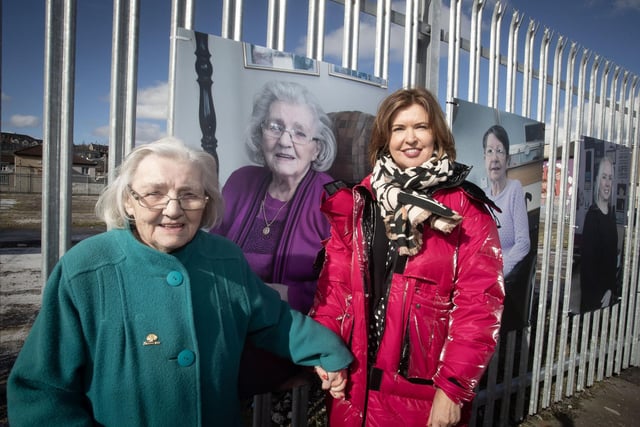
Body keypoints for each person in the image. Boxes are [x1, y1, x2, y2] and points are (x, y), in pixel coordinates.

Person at [7, 137, 352, 427]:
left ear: (206, 202)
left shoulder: (226, 259)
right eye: (155, 193)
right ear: (129, 200)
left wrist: (327, 352)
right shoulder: (86, 268)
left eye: (189, 195)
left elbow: (274, 321)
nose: (173, 210)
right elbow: (41, 389)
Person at [310, 87, 504, 426]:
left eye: (421, 127)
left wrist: (454, 390)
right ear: (385, 138)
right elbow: (335, 289)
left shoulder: (464, 209)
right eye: (399, 129)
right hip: (352, 390)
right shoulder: (360, 202)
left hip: (420, 399)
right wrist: (327, 354)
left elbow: (479, 304)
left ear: (437, 134)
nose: (410, 139)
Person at [210, 80, 338, 419]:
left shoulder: (332, 200)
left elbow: (343, 289)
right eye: (275, 126)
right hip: (227, 328)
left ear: (317, 146)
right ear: (260, 133)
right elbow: (211, 253)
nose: (285, 140)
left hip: (287, 341)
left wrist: (274, 295)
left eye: (299, 132)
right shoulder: (241, 181)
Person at [482, 124, 530, 277]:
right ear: (484, 159)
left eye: (500, 151)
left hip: (505, 277)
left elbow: (523, 243)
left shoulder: (514, 189)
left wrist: (499, 272)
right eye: (490, 151)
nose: (494, 158)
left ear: (507, 160)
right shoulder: (482, 198)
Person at [580, 155, 618, 312]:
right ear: (597, 181)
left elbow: (611, 258)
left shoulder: (611, 215)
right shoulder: (592, 217)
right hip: (596, 299)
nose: (607, 183)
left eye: (610, 178)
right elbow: (588, 270)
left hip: (609, 293)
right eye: (604, 177)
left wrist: (611, 289)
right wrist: (603, 294)